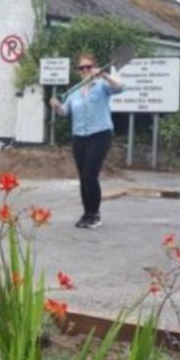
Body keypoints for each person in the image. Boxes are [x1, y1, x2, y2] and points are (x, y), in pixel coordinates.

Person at [50, 53, 123, 229]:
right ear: (78, 71)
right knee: (83, 177)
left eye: (88, 67)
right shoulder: (74, 91)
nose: (85, 70)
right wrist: (57, 106)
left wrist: (104, 74)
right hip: (79, 136)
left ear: (94, 67)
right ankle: (87, 213)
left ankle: (95, 215)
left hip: (100, 134)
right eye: (81, 68)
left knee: (90, 174)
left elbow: (120, 87)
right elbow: (65, 112)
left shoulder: (102, 86)